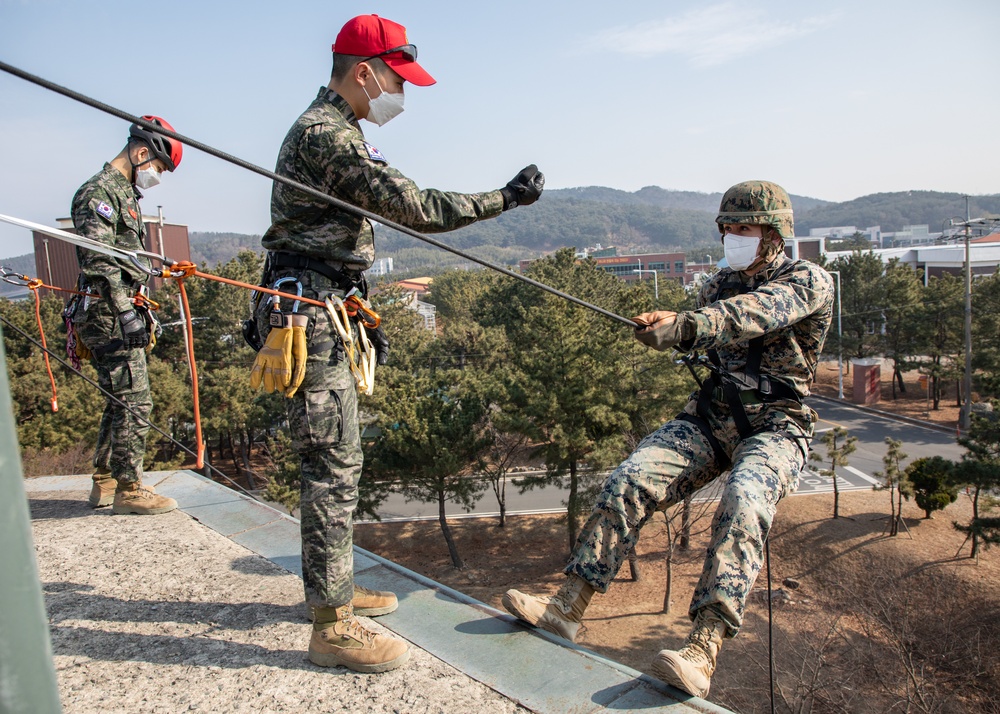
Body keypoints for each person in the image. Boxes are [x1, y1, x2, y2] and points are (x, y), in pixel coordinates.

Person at [256, 13, 544, 674]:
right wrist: (504, 198)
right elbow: (413, 207)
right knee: (332, 462)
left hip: (325, 305)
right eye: (396, 78)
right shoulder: (327, 135)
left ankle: (330, 591)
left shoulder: (337, 132)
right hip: (311, 310)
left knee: (339, 457)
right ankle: (332, 626)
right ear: (363, 71)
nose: (402, 95)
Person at [502, 180, 834, 699]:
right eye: (726, 228)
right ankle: (568, 606)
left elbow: (755, 313)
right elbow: (704, 326)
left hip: (775, 427)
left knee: (745, 500)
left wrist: (687, 324)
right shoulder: (716, 284)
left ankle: (703, 648)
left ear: (773, 234)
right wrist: (668, 324)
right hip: (712, 416)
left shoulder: (808, 280)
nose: (731, 236)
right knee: (630, 478)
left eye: (742, 228)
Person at [72, 116, 182, 517]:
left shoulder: (122, 193)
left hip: (116, 308)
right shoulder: (99, 194)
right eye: (157, 167)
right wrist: (125, 312)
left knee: (117, 398)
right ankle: (130, 488)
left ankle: (105, 479)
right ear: (140, 153)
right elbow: (100, 261)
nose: (156, 176)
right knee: (136, 398)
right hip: (109, 312)